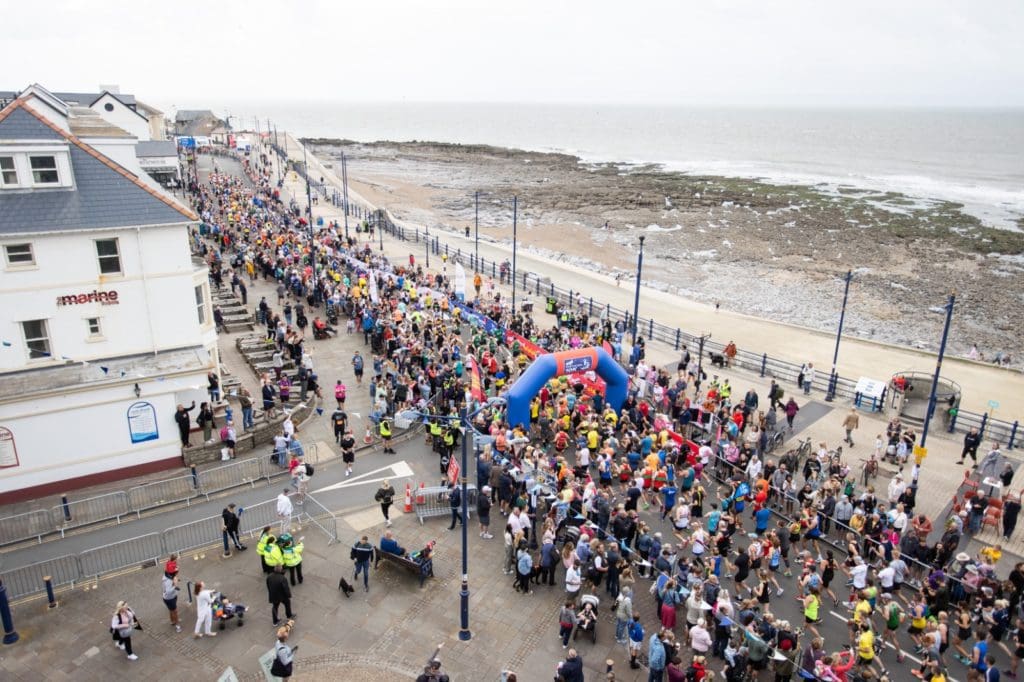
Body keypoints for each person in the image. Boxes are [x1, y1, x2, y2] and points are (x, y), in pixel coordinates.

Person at [161, 556, 182, 633]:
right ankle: (177, 625)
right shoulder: (168, 581)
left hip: (171, 597)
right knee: (175, 611)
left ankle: (172, 621)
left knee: (171, 610)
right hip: (169, 598)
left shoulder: (168, 576)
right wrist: (175, 585)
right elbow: (169, 591)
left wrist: (176, 580)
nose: (178, 571)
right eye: (177, 571)